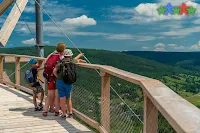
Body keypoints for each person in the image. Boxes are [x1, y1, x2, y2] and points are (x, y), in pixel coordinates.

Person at [53, 49, 86, 118]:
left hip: (60, 82)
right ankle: (70, 112)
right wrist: (80, 57)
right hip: (68, 82)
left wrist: (58, 77)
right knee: (68, 98)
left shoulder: (60, 62)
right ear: (70, 55)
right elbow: (75, 60)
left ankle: (64, 113)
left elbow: (54, 71)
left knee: (62, 98)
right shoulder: (72, 61)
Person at [43, 43, 66, 116]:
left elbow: (45, 63)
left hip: (49, 78)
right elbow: (69, 62)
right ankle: (57, 111)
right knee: (57, 96)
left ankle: (45, 110)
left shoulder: (50, 55)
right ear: (63, 49)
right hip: (57, 78)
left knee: (49, 95)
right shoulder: (61, 57)